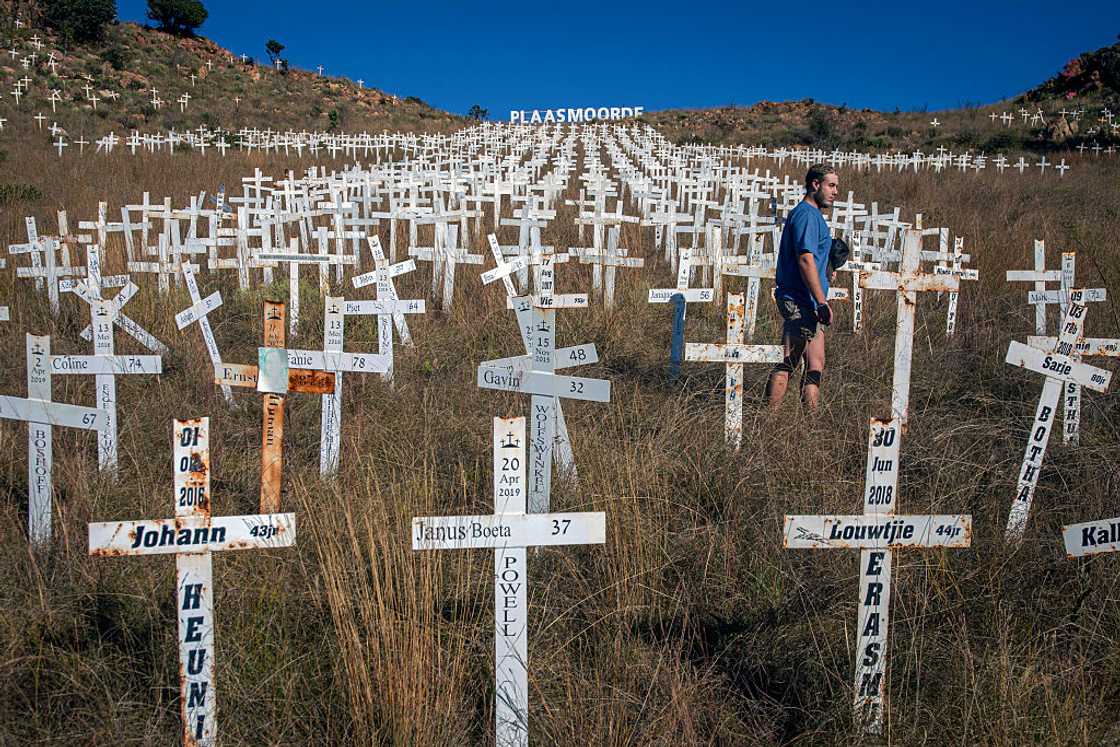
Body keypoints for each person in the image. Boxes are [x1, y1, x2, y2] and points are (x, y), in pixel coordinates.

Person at [766, 164, 839, 411]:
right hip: (799, 299)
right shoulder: (806, 215)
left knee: (816, 364)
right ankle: (768, 419)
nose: (835, 191)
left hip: (810, 301)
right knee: (788, 360)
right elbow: (805, 259)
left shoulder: (814, 216)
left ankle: (811, 424)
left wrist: (829, 267)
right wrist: (821, 300)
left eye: (836, 186)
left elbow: (814, 260)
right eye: (831, 185)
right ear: (815, 185)